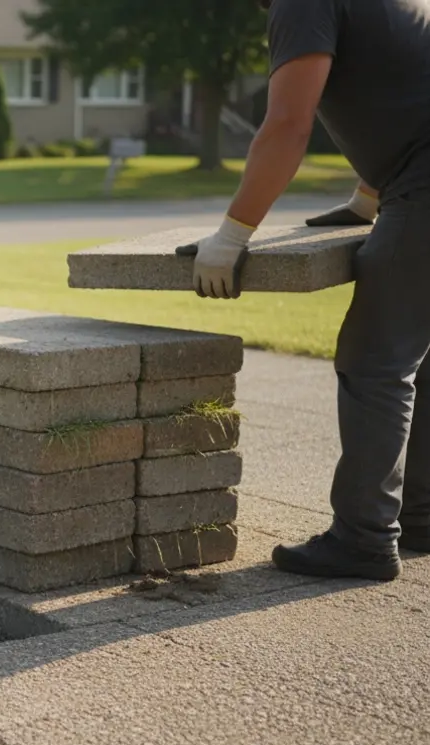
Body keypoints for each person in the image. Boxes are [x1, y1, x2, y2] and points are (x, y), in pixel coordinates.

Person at [186, 0, 430, 581]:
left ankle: (364, 540)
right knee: (418, 354)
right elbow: (400, 86)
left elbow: (288, 125)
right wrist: (368, 198)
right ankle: (420, 517)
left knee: (376, 360)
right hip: (411, 177)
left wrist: (231, 235)